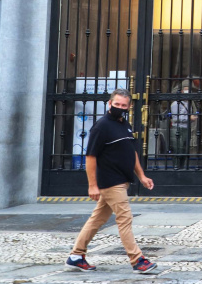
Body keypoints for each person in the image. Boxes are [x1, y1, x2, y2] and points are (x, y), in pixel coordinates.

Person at [65, 88, 158, 274]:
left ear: (129, 107)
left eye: (124, 105)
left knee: (97, 219)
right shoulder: (101, 126)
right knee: (125, 218)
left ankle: (76, 255)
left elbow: (131, 152)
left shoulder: (125, 124)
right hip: (110, 181)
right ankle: (137, 259)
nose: (120, 108)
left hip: (122, 179)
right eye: (117, 104)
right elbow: (90, 157)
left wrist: (141, 175)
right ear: (109, 104)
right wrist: (92, 185)